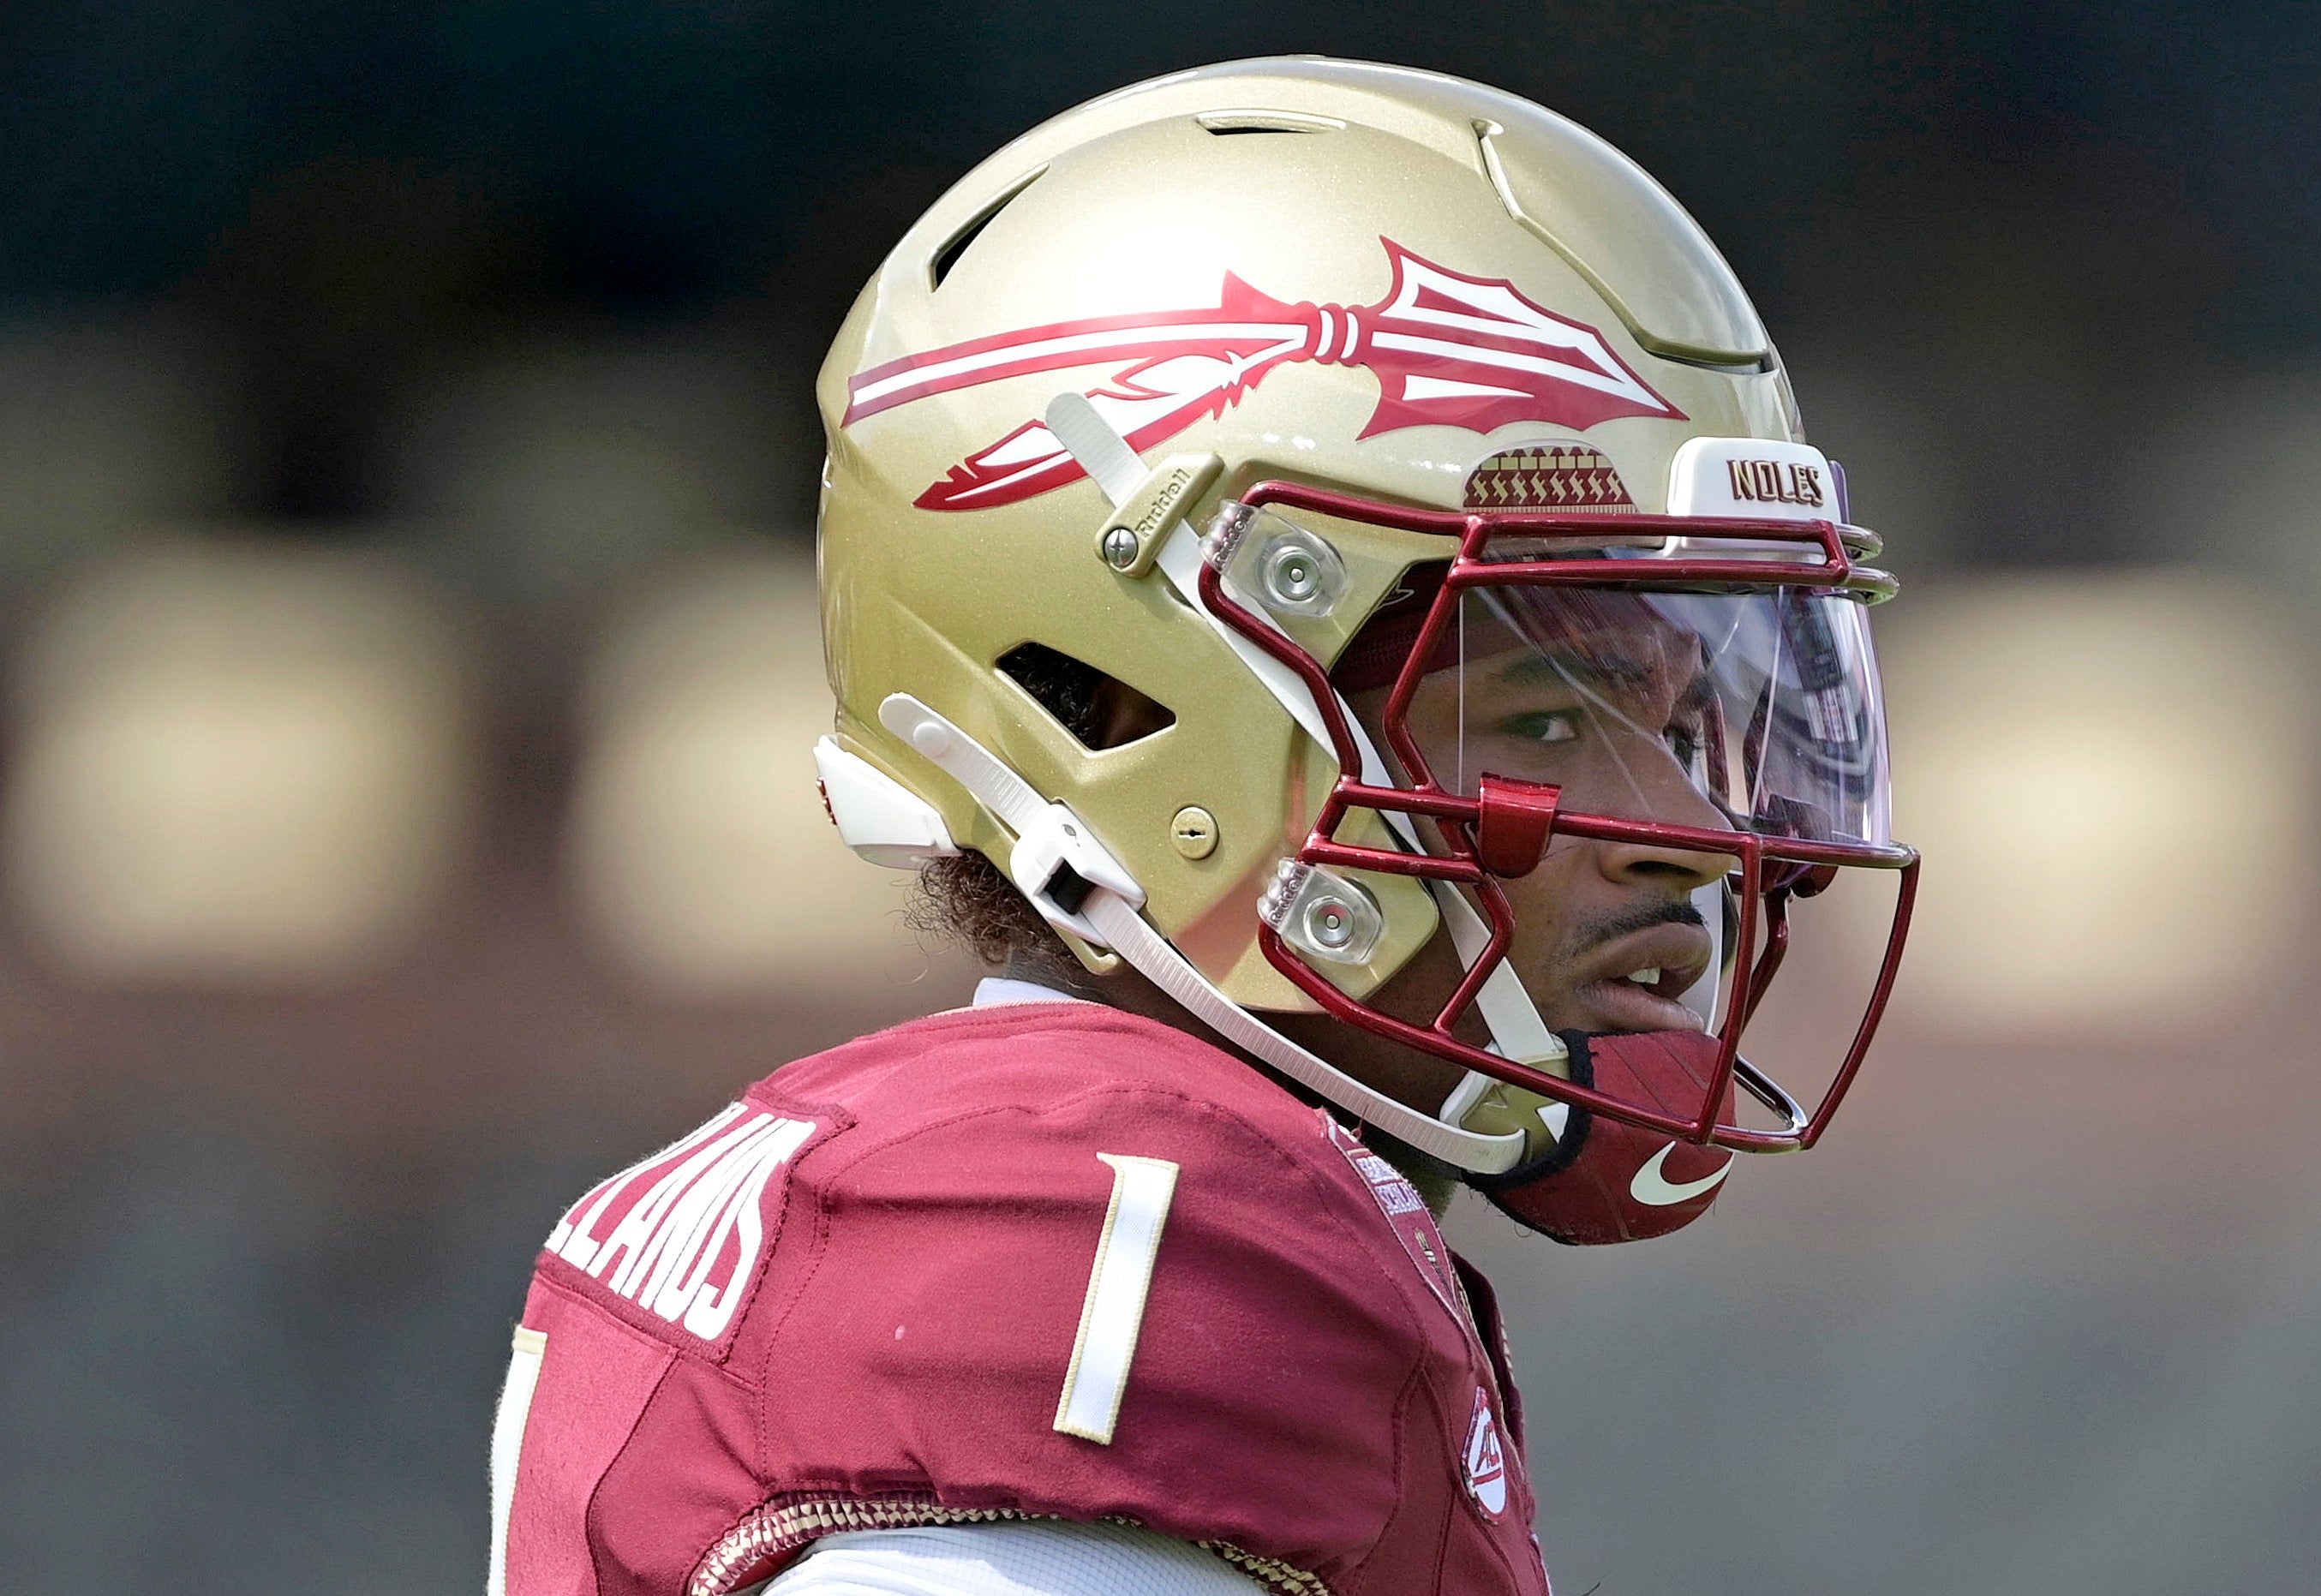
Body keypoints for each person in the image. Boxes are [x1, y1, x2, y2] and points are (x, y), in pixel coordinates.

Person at [485, 57, 1918, 1596]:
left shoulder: (1082, 1180)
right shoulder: (1089, 1233)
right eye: (1546, 720)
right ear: (1115, 704)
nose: (1687, 832)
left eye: (1689, 722)